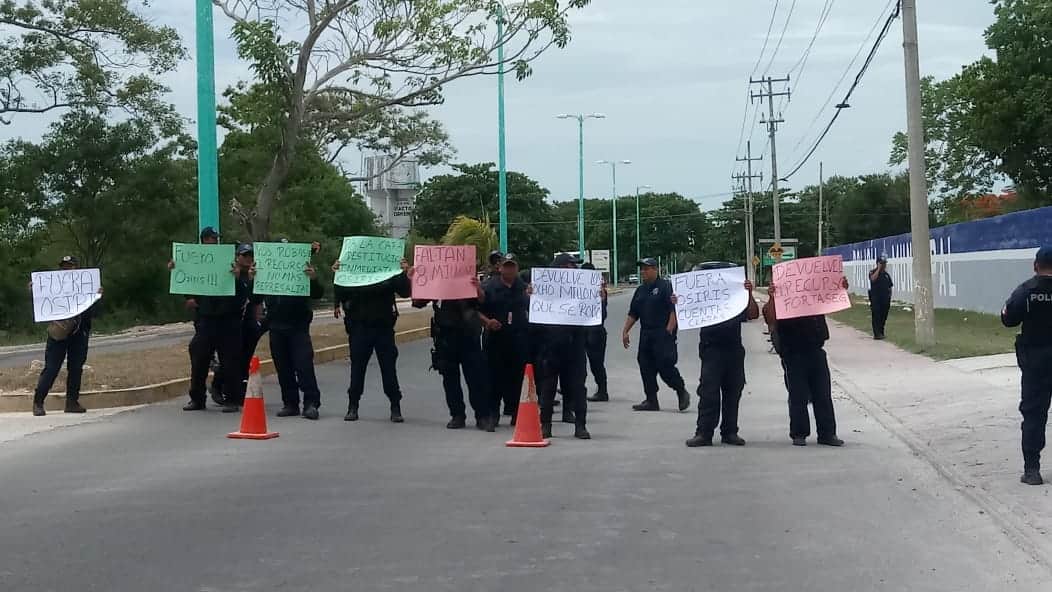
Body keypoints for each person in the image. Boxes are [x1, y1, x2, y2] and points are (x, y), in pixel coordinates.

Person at [175, 227, 254, 413]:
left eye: (216, 238)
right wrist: (187, 293)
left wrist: (237, 278)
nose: (214, 241)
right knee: (199, 359)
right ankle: (197, 398)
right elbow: (187, 279)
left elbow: (245, 292)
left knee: (230, 361)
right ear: (203, 240)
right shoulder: (195, 260)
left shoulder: (228, 260)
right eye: (211, 238)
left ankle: (231, 399)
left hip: (229, 319)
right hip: (206, 319)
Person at [763, 276, 848, 447]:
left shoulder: (814, 294)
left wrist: (840, 287)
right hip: (793, 352)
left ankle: (827, 434)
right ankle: (799, 433)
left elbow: (832, 300)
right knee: (798, 395)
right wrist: (773, 296)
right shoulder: (781, 300)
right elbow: (770, 318)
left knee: (823, 394)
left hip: (816, 348)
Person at [685, 263, 760, 447]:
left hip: (734, 349)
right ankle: (704, 433)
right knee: (708, 392)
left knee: (733, 392)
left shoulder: (735, 297)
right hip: (711, 349)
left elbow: (753, 314)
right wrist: (679, 300)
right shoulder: (704, 298)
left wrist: (749, 293)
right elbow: (686, 310)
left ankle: (730, 432)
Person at [333, 258, 411, 423]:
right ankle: (353, 406)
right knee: (357, 368)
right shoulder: (354, 267)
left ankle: (395, 406)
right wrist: (339, 274)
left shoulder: (388, 269)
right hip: (359, 326)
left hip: (383, 326)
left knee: (388, 368)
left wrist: (402, 273)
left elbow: (405, 292)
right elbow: (341, 292)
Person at [1000, 246, 1052, 486]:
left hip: (1035, 364)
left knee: (1033, 415)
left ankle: (1032, 470)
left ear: (1035, 266)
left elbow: (1008, 319)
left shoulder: (1026, 291)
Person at [413, 275, 491, 431]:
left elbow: (482, 300)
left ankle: (482, 416)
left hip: (469, 336)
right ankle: (457, 415)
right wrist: (415, 281)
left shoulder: (467, 278)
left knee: (476, 378)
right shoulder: (436, 281)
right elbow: (418, 302)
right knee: (449, 378)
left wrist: (477, 287)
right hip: (445, 336)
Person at [31, 255, 103, 416]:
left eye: (70, 266)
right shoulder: (54, 285)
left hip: (79, 333)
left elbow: (96, 313)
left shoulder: (86, 285)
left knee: (76, 368)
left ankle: (72, 402)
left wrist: (97, 297)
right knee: (51, 368)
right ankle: (38, 402)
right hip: (59, 332)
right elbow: (42, 304)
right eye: (64, 267)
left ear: (77, 268)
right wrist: (35, 291)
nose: (67, 269)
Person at [531, 252, 591, 439]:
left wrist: (598, 297)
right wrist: (531, 296)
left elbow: (593, 314)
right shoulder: (545, 290)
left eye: (574, 266)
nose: (574, 269)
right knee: (548, 388)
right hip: (551, 346)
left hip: (575, 346)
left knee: (578, 387)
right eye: (570, 266)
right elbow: (534, 316)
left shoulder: (581, 290)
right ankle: (546, 425)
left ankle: (580, 426)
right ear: (560, 269)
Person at [622, 257, 691, 412]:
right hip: (646, 333)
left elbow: (674, 309)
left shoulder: (665, 286)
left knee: (664, 366)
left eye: (646, 269)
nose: (643, 272)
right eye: (642, 269)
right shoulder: (640, 290)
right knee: (645, 365)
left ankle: (681, 390)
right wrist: (625, 331)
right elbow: (633, 313)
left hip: (662, 332)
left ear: (655, 269)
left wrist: (669, 329)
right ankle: (651, 400)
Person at [267, 241, 325, 420]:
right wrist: (254, 279)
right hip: (276, 326)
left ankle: (311, 403)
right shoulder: (267, 274)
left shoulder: (302, 272)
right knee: (283, 368)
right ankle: (290, 403)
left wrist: (313, 279)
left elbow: (317, 294)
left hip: (298, 327)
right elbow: (254, 298)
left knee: (304, 366)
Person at [210, 242, 265, 408]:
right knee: (230, 357)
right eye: (244, 255)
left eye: (251, 255)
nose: (248, 258)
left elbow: (257, 299)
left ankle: (238, 390)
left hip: (249, 322)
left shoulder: (254, 275)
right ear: (237, 257)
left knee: (244, 358)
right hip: (231, 321)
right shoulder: (229, 273)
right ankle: (218, 386)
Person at [480, 254, 530, 426]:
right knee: (493, 378)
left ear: (517, 268)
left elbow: (535, 308)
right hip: (495, 340)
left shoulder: (524, 288)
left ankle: (516, 413)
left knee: (517, 378)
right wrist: (487, 322)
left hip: (518, 339)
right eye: (506, 266)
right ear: (500, 268)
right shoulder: (488, 287)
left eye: (512, 266)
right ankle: (493, 414)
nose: (509, 269)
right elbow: (476, 310)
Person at [580, 262, 610, 403]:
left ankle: (602, 391)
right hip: (583, 330)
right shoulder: (579, 289)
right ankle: (577, 387)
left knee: (596, 362)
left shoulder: (599, 289)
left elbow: (603, 313)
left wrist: (602, 298)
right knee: (580, 362)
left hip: (595, 330)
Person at [869, 254, 893, 340]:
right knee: (876, 316)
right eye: (882, 263)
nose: (884, 265)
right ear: (878, 263)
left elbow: (890, 286)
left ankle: (881, 332)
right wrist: (878, 269)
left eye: (885, 263)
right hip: (876, 298)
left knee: (883, 316)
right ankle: (877, 334)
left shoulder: (886, 275)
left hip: (885, 299)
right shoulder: (873, 272)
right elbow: (873, 279)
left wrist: (889, 296)